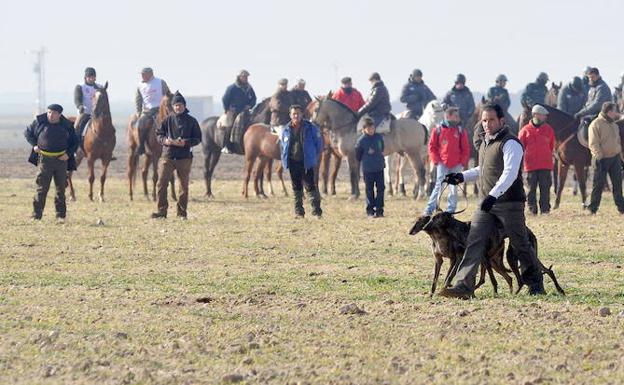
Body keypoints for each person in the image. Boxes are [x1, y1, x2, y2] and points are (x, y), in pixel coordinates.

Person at [440, 104, 545, 298]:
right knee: (474, 241)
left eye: (491, 120)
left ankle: (535, 284)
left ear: (502, 121)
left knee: (520, 243)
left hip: (509, 204)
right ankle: (464, 286)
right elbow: (484, 169)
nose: (487, 124)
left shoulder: (511, 143)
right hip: (487, 203)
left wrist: (492, 196)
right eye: (484, 120)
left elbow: (509, 173)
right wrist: (461, 177)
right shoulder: (486, 142)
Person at [151, 91, 202, 219]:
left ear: (184, 106)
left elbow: (198, 138)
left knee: (183, 187)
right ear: (172, 107)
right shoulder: (167, 120)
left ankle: (181, 213)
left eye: (180, 105)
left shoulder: (192, 121)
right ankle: (161, 211)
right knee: (161, 184)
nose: (178, 107)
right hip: (167, 156)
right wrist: (165, 141)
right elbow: (159, 134)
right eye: (175, 105)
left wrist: (185, 143)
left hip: (184, 158)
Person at [24, 104, 78, 222]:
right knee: (41, 188)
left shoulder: (67, 126)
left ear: (59, 114)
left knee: (61, 189)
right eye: (49, 112)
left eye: (54, 113)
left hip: (61, 161)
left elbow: (75, 142)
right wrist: (34, 145)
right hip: (45, 160)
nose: (51, 115)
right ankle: (36, 216)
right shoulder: (39, 122)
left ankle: (60, 216)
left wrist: (68, 154)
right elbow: (28, 133)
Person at [423, 107, 470, 216]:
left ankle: (450, 211)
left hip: (456, 164)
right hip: (442, 163)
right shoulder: (438, 130)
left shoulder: (460, 130)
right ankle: (430, 208)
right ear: (448, 116)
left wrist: (462, 162)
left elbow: (466, 148)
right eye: (455, 116)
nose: (458, 118)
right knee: (439, 185)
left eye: (458, 116)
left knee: (453, 188)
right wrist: (436, 161)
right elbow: (432, 147)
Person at [280, 105, 324, 218]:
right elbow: (283, 146)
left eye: (298, 113)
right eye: (293, 114)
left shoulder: (311, 127)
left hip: (306, 162)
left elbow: (319, 144)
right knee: (296, 187)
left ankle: (316, 212)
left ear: (302, 114)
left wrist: (312, 156)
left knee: (310, 186)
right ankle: (299, 212)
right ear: (290, 115)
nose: (296, 116)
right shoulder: (286, 129)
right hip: (293, 162)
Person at [586, 102, 624, 215]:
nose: (616, 113)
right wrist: (599, 157)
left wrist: (621, 158)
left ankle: (621, 207)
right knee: (598, 185)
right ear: (609, 111)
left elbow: (617, 143)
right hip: (601, 159)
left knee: (617, 184)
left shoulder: (614, 125)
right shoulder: (595, 124)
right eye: (614, 111)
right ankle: (593, 208)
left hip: (615, 158)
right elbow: (593, 143)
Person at [518, 105, 555, 215]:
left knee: (545, 189)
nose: (545, 117)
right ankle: (532, 209)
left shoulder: (549, 130)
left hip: (545, 165)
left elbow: (552, 146)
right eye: (543, 115)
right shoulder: (525, 131)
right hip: (530, 166)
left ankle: (545, 210)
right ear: (535, 115)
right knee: (531, 189)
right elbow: (519, 148)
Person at [134, 67, 171, 154]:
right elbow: (138, 99)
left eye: (144, 74)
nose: (142, 76)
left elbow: (168, 95)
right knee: (140, 124)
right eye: (141, 74)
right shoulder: (140, 85)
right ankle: (141, 146)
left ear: (150, 74)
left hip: (160, 109)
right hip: (147, 111)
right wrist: (138, 112)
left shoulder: (160, 82)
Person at [220, 69, 257, 152]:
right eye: (244, 76)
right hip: (233, 111)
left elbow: (254, 98)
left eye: (246, 77)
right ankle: (226, 145)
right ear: (239, 77)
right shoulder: (232, 88)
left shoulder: (249, 88)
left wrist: (250, 105)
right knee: (230, 125)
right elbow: (225, 99)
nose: (246, 78)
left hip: (245, 111)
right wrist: (227, 109)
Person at [355, 118, 385, 217]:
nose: (371, 130)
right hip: (368, 170)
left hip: (379, 168)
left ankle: (380, 209)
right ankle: (370, 210)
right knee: (369, 190)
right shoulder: (361, 141)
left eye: (372, 128)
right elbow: (358, 156)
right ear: (364, 129)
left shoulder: (379, 137)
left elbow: (382, 148)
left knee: (381, 189)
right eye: (369, 128)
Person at [73, 67, 101, 139]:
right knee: (77, 128)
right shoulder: (80, 86)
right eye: (89, 77)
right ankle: (75, 143)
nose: (91, 79)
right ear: (85, 77)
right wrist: (80, 106)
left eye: (93, 77)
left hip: (97, 114)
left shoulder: (100, 87)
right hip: (84, 112)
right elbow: (77, 99)